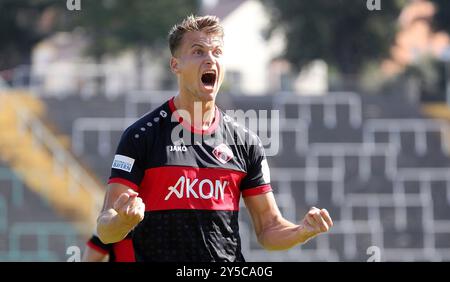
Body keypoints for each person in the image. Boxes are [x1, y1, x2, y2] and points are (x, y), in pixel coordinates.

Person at [96, 14, 333, 262]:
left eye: (217, 52)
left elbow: (268, 229)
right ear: (175, 65)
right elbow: (105, 230)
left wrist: (302, 232)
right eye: (198, 51)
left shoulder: (245, 142)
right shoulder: (141, 135)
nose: (210, 59)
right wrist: (122, 221)